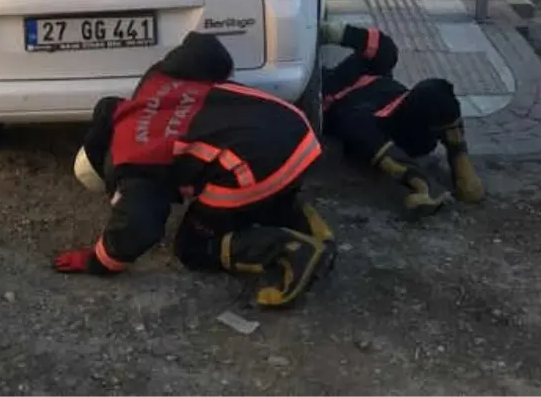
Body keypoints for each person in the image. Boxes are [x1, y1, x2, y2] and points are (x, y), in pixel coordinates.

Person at [54, 32, 334, 309]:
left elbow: (138, 225)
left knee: (192, 247)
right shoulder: (155, 81)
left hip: (260, 165)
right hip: (296, 128)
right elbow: (205, 47)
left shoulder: (135, 161)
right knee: (234, 184)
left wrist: (99, 260)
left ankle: (289, 251)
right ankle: (301, 220)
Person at [319, 22, 484, 217]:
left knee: (434, 89)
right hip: (383, 129)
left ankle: (458, 157)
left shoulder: (350, 71)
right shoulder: (329, 107)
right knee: (355, 124)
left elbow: (385, 49)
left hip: (403, 111)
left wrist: (335, 33)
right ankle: (421, 186)